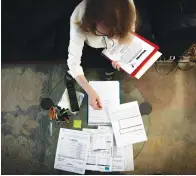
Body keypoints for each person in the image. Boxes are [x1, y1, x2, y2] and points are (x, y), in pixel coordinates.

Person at [66, 0, 137, 110]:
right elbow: (74, 62)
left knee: (110, 64)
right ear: (92, 22)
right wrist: (89, 90)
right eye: (105, 34)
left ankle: (108, 71)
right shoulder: (78, 21)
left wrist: (120, 55)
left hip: (114, 48)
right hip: (90, 46)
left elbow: (130, 33)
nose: (111, 38)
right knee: (81, 62)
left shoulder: (127, 9)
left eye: (116, 34)